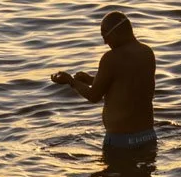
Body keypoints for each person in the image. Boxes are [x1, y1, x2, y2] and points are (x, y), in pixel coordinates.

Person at [52, 11, 156, 151]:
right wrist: (90, 79)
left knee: (111, 173)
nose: (105, 41)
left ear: (116, 33)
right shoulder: (146, 52)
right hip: (148, 136)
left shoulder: (111, 58)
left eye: (105, 36)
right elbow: (124, 83)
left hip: (121, 141)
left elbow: (94, 96)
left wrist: (70, 81)